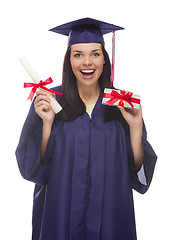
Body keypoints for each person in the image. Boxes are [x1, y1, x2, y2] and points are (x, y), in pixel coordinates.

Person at [16, 18, 157, 240]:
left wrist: (136, 128)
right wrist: (47, 124)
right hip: (60, 221)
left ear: (104, 59)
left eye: (95, 53)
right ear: (68, 60)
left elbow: (138, 178)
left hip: (111, 222)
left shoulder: (121, 104)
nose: (87, 63)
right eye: (78, 54)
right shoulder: (50, 101)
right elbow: (33, 171)